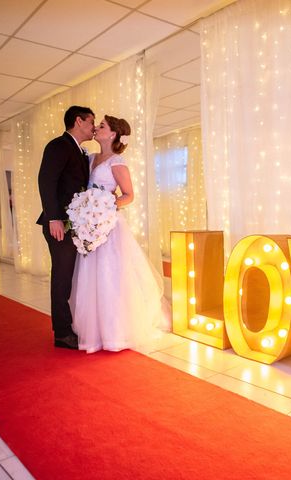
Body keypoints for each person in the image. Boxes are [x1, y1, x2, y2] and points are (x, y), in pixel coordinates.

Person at [70, 115, 170, 353]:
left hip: (109, 226)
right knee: (90, 277)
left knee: (111, 276)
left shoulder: (117, 161)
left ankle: (117, 332)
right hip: (91, 226)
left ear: (113, 134)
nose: (96, 128)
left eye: (101, 126)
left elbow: (128, 195)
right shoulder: (91, 158)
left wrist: (104, 206)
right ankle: (94, 330)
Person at [37, 105, 95, 349]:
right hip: (59, 223)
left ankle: (70, 324)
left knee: (69, 278)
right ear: (79, 121)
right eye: (91, 122)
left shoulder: (80, 152)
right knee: (61, 278)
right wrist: (54, 218)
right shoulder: (58, 145)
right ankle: (61, 332)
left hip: (75, 225)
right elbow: (46, 180)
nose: (94, 127)